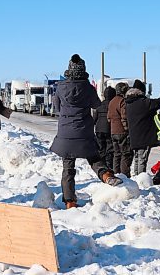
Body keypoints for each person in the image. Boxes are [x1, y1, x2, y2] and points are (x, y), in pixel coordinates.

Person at [50, 54, 122, 209]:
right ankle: (106, 175)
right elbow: (96, 104)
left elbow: (57, 108)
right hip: (84, 131)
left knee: (68, 167)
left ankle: (70, 202)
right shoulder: (88, 88)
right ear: (83, 69)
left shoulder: (60, 87)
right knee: (94, 157)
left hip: (65, 133)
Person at [125, 79, 160, 175]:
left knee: (137, 159)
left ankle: (136, 179)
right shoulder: (144, 103)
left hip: (134, 137)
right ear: (142, 91)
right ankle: (140, 181)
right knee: (142, 159)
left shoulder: (129, 103)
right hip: (143, 137)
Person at [108, 82, 133, 177]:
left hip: (113, 131)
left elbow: (108, 117)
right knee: (125, 154)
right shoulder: (122, 101)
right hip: (121, 131)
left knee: (117, 154)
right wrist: (127, 129)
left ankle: (116, 174)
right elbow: (124, 117)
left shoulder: (111, 101)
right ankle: (125, 176)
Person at [93, 86, 116, 170]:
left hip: (99, 130)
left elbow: (94, 119)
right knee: (109, 149)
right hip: (109, 129)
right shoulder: (113, 105)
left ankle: (102, 166)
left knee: (101, 149)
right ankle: (109, 166)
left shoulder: (99, 105)